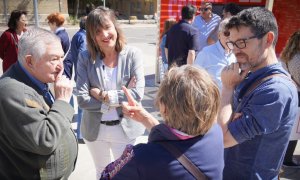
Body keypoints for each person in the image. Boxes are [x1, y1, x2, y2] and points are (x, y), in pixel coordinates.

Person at [100, 65, 224, 179]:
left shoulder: (143, 157)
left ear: (164, 108)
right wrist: (145, 119)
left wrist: (129, 154)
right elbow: (176, 143)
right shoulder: (216, 134)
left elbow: (106, 176)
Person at [218, 7, 298, 179]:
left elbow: (222, 139)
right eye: (232, 43)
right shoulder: (248, 75)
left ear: (268, 39)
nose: (235, 51)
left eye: (242, 42)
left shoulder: (276, 91)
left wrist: (226, 89)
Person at [76, 6, 145, 179]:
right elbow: (82, 99)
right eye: (98, 31)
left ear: (115, 27)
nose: (105, 35)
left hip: (125, 129)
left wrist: (104, 95)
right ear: (92, 36)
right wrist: (117, 100)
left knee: (126, 174)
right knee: (102, 173)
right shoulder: (85, 58)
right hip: (95, 131)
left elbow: (136, 95)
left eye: (108, 28)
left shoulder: (132, 55)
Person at [0, 27, 77, 179]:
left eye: (62, 57)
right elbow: (45, 139)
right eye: (54, 59)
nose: (61, 66)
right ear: (30, 61)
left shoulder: (37, 78)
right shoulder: (13, 92)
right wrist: (61, 101)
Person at [194, 18, 236, 90]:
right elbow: (194, 77)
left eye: (234, 34)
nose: (230, 38)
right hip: (212, 99)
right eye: (227, 34)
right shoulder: (206, 53)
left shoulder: (237, 54)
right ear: (219, 35)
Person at [63, 16, 87, 141]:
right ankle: (81, 135)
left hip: (79, 74)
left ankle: (81, 133)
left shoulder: (77, 35)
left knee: (82, 104)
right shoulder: (84, 37)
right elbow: (84, 55)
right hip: (84, 75)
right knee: (84, 105)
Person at [280, 29, 300, 167]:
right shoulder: (298, 59)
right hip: (298, 95)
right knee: (295, 130)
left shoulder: (286, 55)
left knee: (289, 128)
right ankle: (287, 160)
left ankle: (283, 157)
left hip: (288, 93)